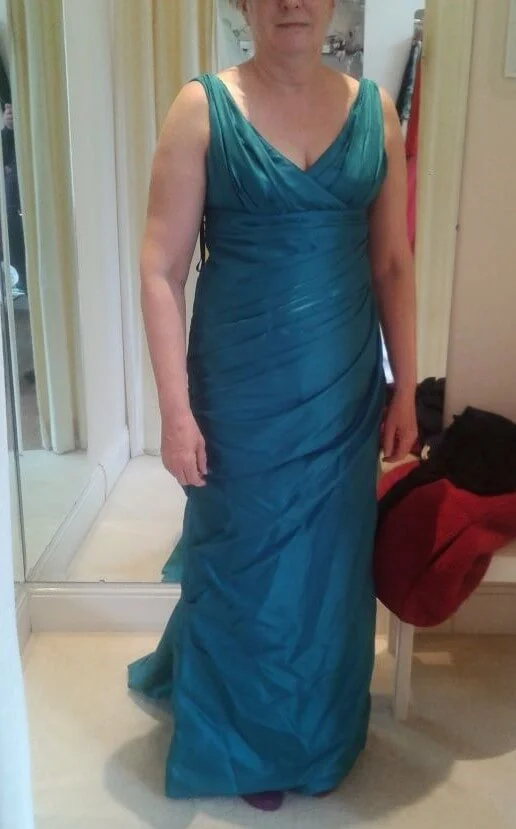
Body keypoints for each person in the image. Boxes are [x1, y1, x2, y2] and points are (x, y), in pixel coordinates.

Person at [129, 0, 417, 812]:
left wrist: (407, 386)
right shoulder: (201, 109)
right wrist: (175, 412)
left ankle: (319, 733)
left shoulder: (377, 113)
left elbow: (392, 264)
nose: (292, 2)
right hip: (241, 391)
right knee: (248, 564)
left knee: (328, 570)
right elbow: (160, 268)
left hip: (345, 390)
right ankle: (242, 740)